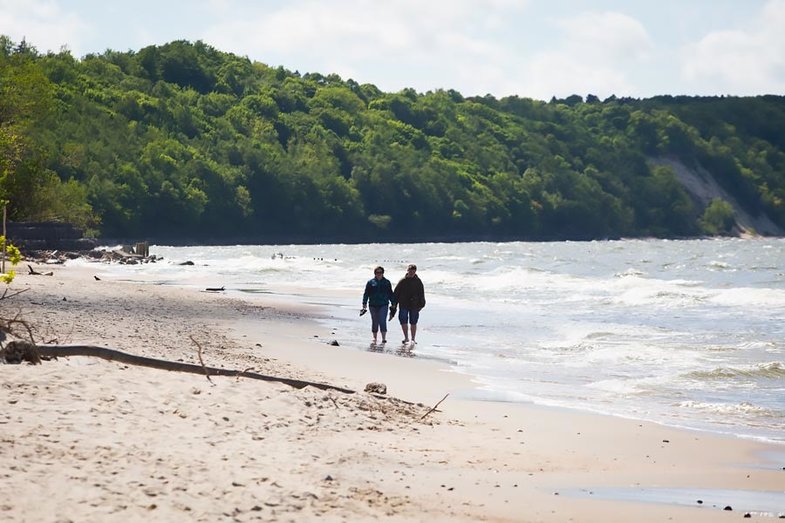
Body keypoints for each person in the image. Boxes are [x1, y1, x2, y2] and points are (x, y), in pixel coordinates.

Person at [361, 266, 396, 344]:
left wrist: (393, 303)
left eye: (380, 272)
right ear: (375, 273)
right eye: (377, 272)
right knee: (375, 321)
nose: (379, 274)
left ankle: (384, 338)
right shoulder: (370, 282)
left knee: (382, 320)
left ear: (383, 273)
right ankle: (374, 337)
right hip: (372, 305)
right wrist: (364, 303)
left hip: (384, 304)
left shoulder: (387, 282)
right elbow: (366, 293)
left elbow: (390, 293)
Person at [393, 264, 426, 344]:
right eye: (410, 270)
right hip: (403, 304)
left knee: (413, 322)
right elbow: (396, 293)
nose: (411, 272)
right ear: (407, 271)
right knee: (403, 320)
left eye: (413, 270)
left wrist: (422, 304)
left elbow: (421, 293)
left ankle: (413, 339)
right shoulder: (402, 281)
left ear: (415, 271)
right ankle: (406, 338)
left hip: (414, 305)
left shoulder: (418, 281)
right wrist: (394, 304)